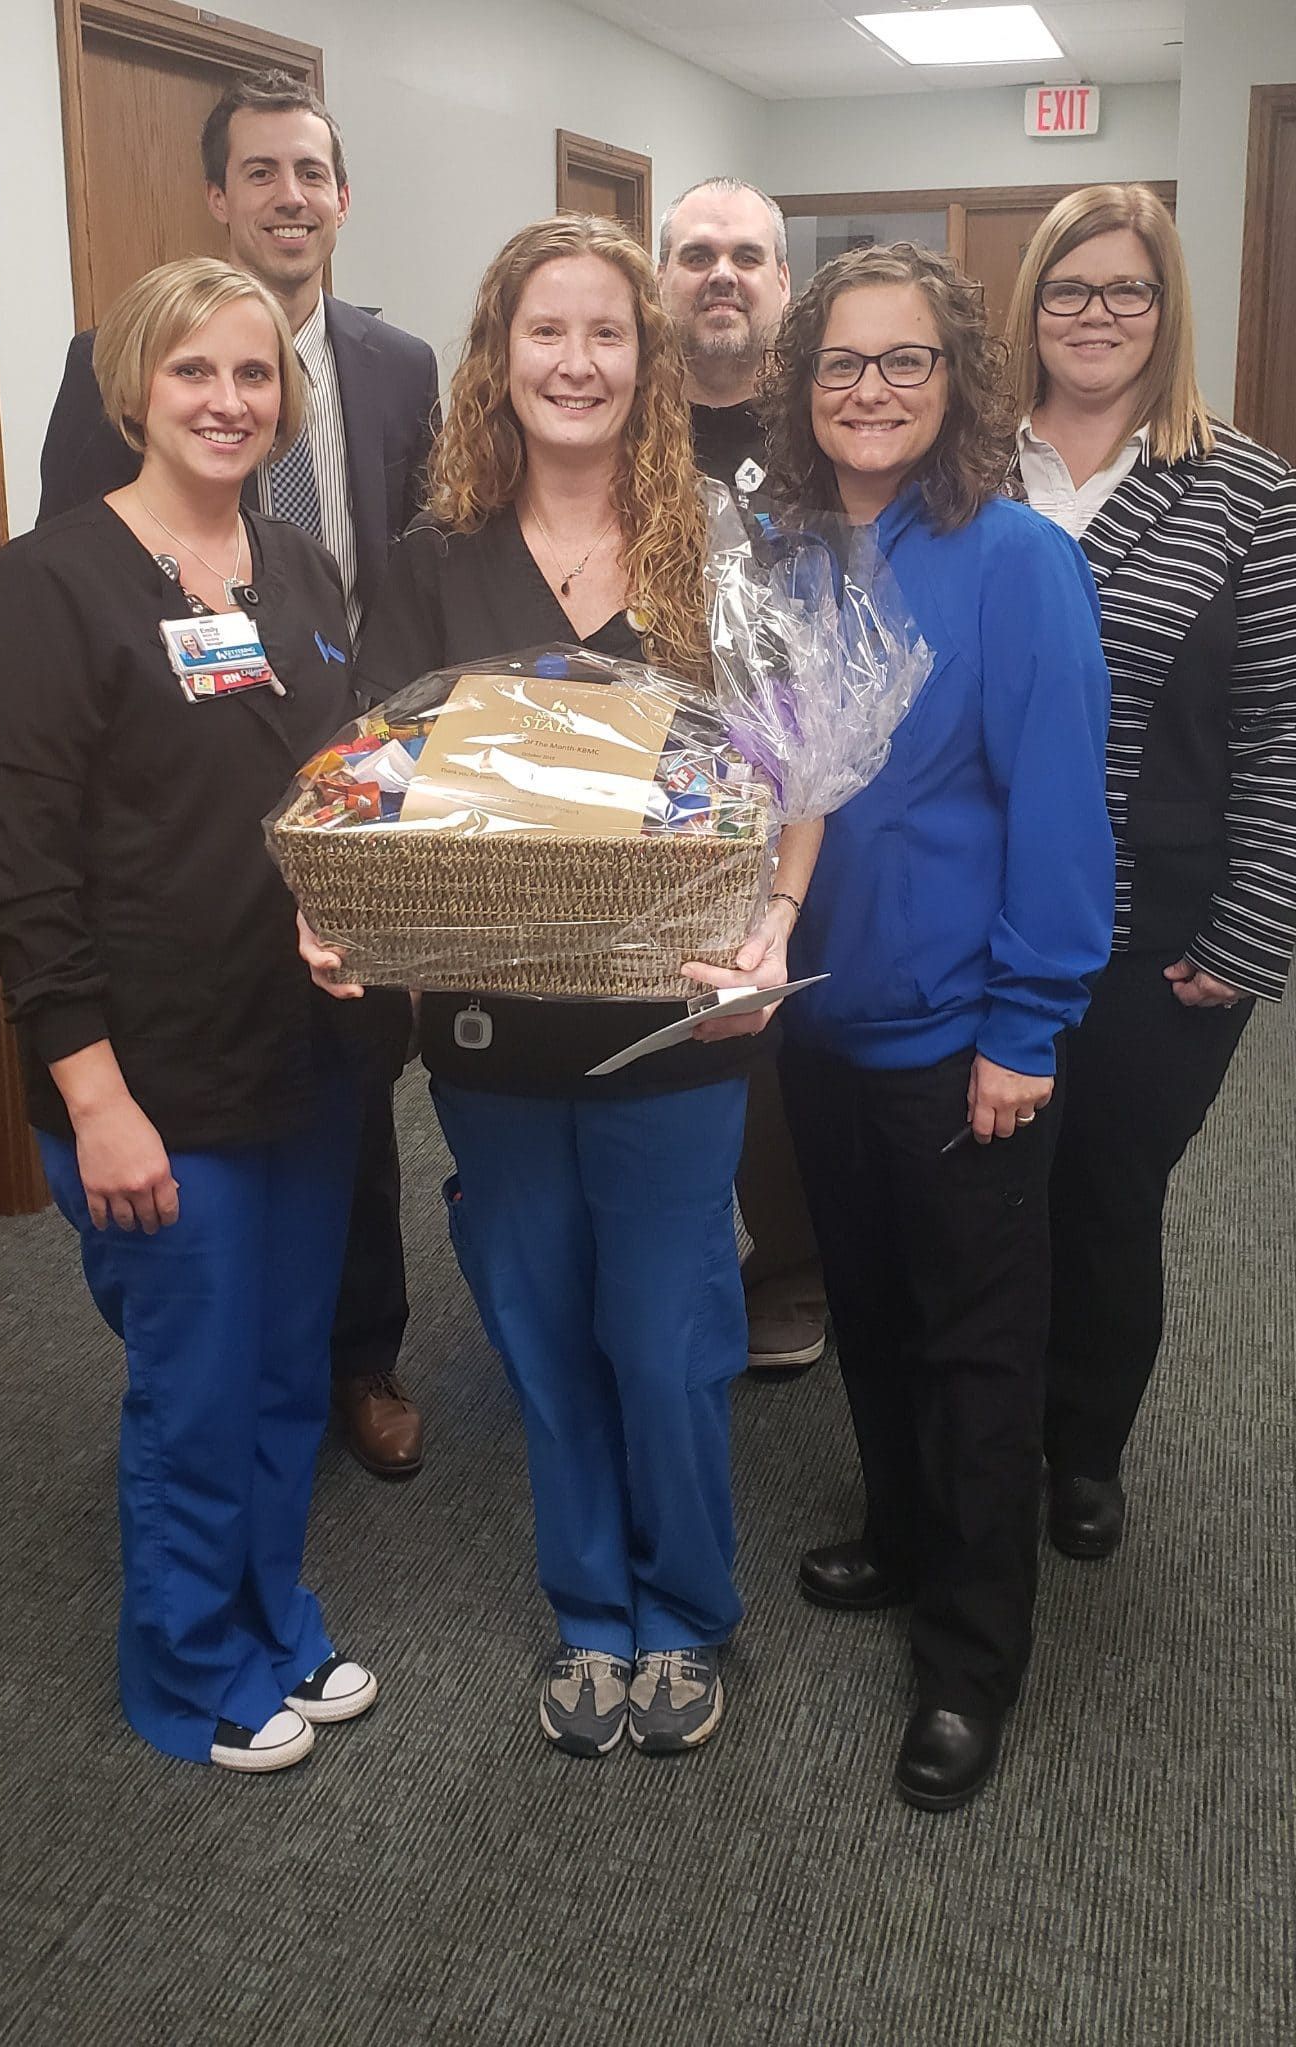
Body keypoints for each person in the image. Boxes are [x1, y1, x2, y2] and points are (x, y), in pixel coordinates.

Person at [305, 214, 821, 1759]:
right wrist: (343, 911)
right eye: (548, 332)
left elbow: (803, 761)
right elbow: (369, 782)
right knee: (537, 1322)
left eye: (609, 332)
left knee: (666, 1332)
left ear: (647, 361)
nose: (578, 360)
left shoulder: (719, 553)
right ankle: (590, 1605)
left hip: (679, 1018)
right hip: (489, 1029)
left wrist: (779, 917)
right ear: (500, 359)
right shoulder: (429, 565)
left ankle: (686, 1607)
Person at [0, 257, 399, 1770]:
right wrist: (93, 1097)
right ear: (132, 386)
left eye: (256, 374)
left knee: (285, 1369)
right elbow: (18, 873)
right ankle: (187, 1666)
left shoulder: (298, 568)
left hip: (302, 1052)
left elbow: (329, 797)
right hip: (148, 1078)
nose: (228, 401)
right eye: (195, 371)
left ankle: (272, 1611)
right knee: (193, 1386)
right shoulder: (49, 582)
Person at [38, 68, 437, 1480]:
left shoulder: (394, 367)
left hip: (351, 770)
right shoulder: (118, 371)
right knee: (208, 1199)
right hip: (187, 828)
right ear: (219, 195)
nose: (288, 195)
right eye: (258, 172)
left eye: (309, 171)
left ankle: (361, 1357)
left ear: (339, 194)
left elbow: (416, 560)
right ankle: (219, 1388)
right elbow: (81, 602)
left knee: (348, 1100)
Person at [762, 243, 1117, 1809]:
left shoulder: (1017, 560)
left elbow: (1057, 814)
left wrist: (1026, 1026)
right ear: (801, 381)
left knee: (978, 1348)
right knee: (875, 1311)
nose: (871, 390)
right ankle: (901, 1534)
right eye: (843, 362)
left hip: (963, 1033)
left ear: (957, 380)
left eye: (905, 361)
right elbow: (773, 790)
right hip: (815, 1022)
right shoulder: (774, 556)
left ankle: (970, 1655)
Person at [1002, 185, 1296, 1562]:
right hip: (982, 920)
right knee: (974, 1196)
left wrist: (1254, 924)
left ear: (1165, 311)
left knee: (1101, 1193)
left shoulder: (1246, 488)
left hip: (1161, 930)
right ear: (1027, 307)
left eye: (1125, 291)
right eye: (1067, 288)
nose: (1095, 315)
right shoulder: (960, 469)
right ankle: (968, 1434)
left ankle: (1081, 1444)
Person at [658, 176, 827, 1375]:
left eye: (747, 257)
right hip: (657, 792)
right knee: (659, 1021)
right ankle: (664, 1257)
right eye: (695, 254)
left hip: (814, 787)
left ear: (782, 283)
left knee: (789, 1041)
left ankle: (794, 1262)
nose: (722, 273)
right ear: (662, 278)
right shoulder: (618, 411)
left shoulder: (829, 420)